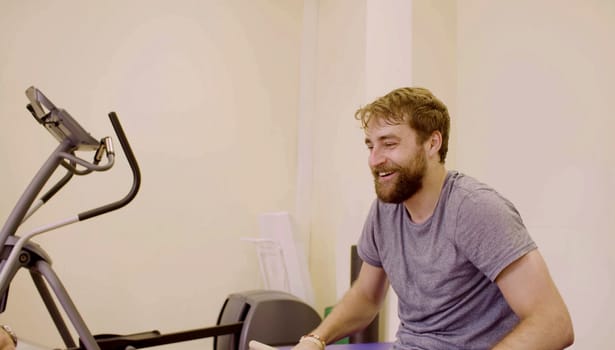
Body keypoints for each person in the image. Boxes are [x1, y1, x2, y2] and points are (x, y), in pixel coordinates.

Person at [293, 87, 574, 350]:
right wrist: (315, 340)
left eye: (388, 144)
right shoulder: (385, 209)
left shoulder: (475, 209)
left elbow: (553, 323)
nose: (374, 160)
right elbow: (366, 297)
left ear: (432, 143)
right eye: (370, 146)